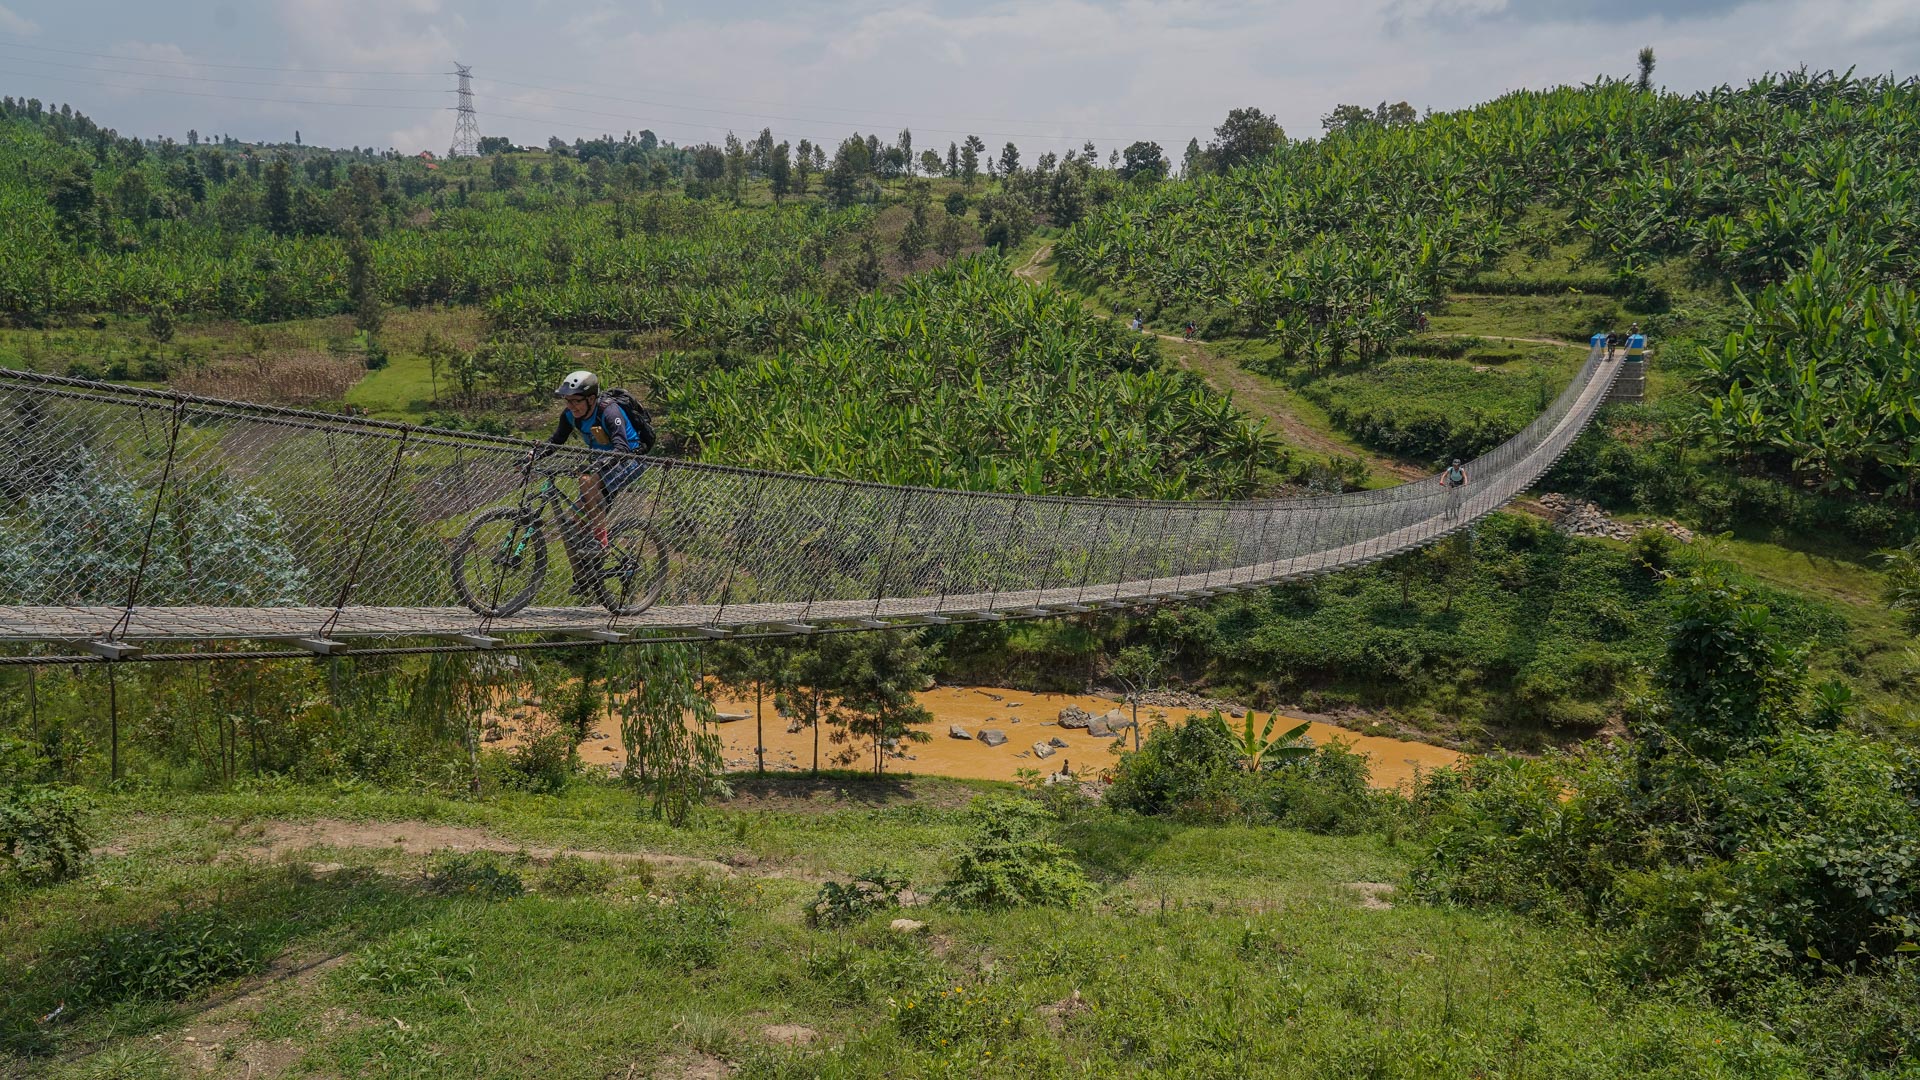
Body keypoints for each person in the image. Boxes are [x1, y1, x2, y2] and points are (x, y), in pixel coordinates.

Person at [535, 369, 647, 556]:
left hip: (630, 460)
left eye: (576, 401)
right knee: (578, 521)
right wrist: (533, 454)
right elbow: (556, 441)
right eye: (568, 401)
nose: (571, 406)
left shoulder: (609, 411)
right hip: (601, 464)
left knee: (587, 482)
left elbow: (622, 448)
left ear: (591, 399)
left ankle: (600, 541)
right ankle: (590, 574)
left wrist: (602, 463)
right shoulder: (570, 415)